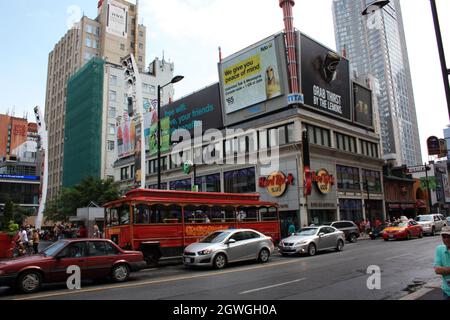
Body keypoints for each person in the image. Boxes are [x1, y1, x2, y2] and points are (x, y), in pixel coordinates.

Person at [433, 226, 450, 300]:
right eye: (444, 237)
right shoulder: (439, 249)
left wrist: (445, 270)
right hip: (447, 291)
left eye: (449, 237)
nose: (446, 239)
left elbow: (440, 269)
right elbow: (437, 270)